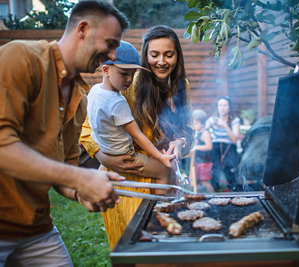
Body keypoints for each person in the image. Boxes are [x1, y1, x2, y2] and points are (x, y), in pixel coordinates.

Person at [0, 1, 129, 266]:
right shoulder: (21, 57)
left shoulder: (80, 98)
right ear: (83, 29)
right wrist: (79, 178)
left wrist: (81, 191)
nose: (113, 56)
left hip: (36, 228)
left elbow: (64, 168)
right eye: (111, 43)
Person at [80, 25, 194, 249]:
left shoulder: (182, 86)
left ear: (177, 56)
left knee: (164, 247)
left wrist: (181, 143)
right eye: (154, 55)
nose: (161, 61)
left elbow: (188, 131)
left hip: (166, 180)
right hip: (130, 179)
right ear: (145, 56)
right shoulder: (128, 81)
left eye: (168, 54)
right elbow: (88, 129)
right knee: (135, 250)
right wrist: (104, 157)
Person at [87, 40, 175, 190]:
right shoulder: (117, 103)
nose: (129, 79)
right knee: (164, 171)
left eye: (133, 73)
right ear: (106, 70)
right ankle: (161, 210)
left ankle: (93, 188)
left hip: (105, 148)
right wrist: (161, 157)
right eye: (124, 73)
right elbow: (137, 136)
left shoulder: (94, 90)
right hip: (125, 155)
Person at [206, 96, 240, 192]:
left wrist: (225, 125)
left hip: (229, 146)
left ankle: (233, 189)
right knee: (215, 167)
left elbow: (234, 139)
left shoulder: (235, 120)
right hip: (216, 145)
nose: (222, 107)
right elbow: (202, 129)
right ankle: (215, 189)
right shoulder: (212, 120)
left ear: (229, 107)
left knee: (228, 167)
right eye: (220, 105)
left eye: (225, 105)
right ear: (217, 107)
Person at [192, 109, 215, 193]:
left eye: (196, 124)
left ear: (202, 124)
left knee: (204, 182)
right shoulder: (198, 132)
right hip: (198, 161)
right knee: (197, 181)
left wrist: (196, 147)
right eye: (193, 123)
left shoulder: (205, 133)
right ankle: (197, 197)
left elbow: (209, 146)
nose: (194, 125)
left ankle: (214, 196)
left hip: (205, 162)